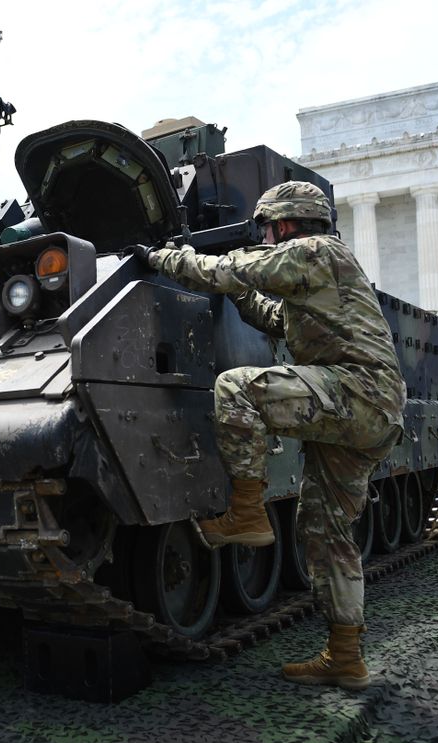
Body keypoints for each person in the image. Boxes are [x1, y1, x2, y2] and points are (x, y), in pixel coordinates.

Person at [130, 181, 405, 690]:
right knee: (325, 531)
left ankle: (248, 512)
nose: (267, 234)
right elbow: (274, 317)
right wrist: (235, 291)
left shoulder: (313, 251)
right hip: (371, 411)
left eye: (269, 226)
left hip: (357, 393)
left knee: (237, 388)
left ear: (285, 223)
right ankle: (346, 657)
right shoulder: (322, 270)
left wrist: (168, 259)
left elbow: (237, 267)